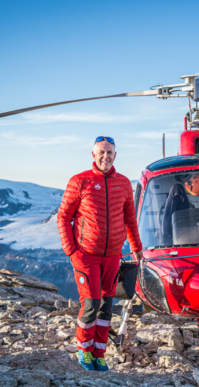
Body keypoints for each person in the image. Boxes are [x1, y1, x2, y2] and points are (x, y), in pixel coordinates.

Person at [57, 136, 143, 371]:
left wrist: (136, 248)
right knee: (91, 303)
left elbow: (130, 220)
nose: (106, 156)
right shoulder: (80, 181)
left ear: (115, 155)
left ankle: (99, 353)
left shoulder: (124, 183)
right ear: (93, 155)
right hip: (86, 255)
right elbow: (64, 216)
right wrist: (71, 250)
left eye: (110, 152)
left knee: (106, 304)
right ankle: (83, 350)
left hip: (113, 255)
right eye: (101, 152)